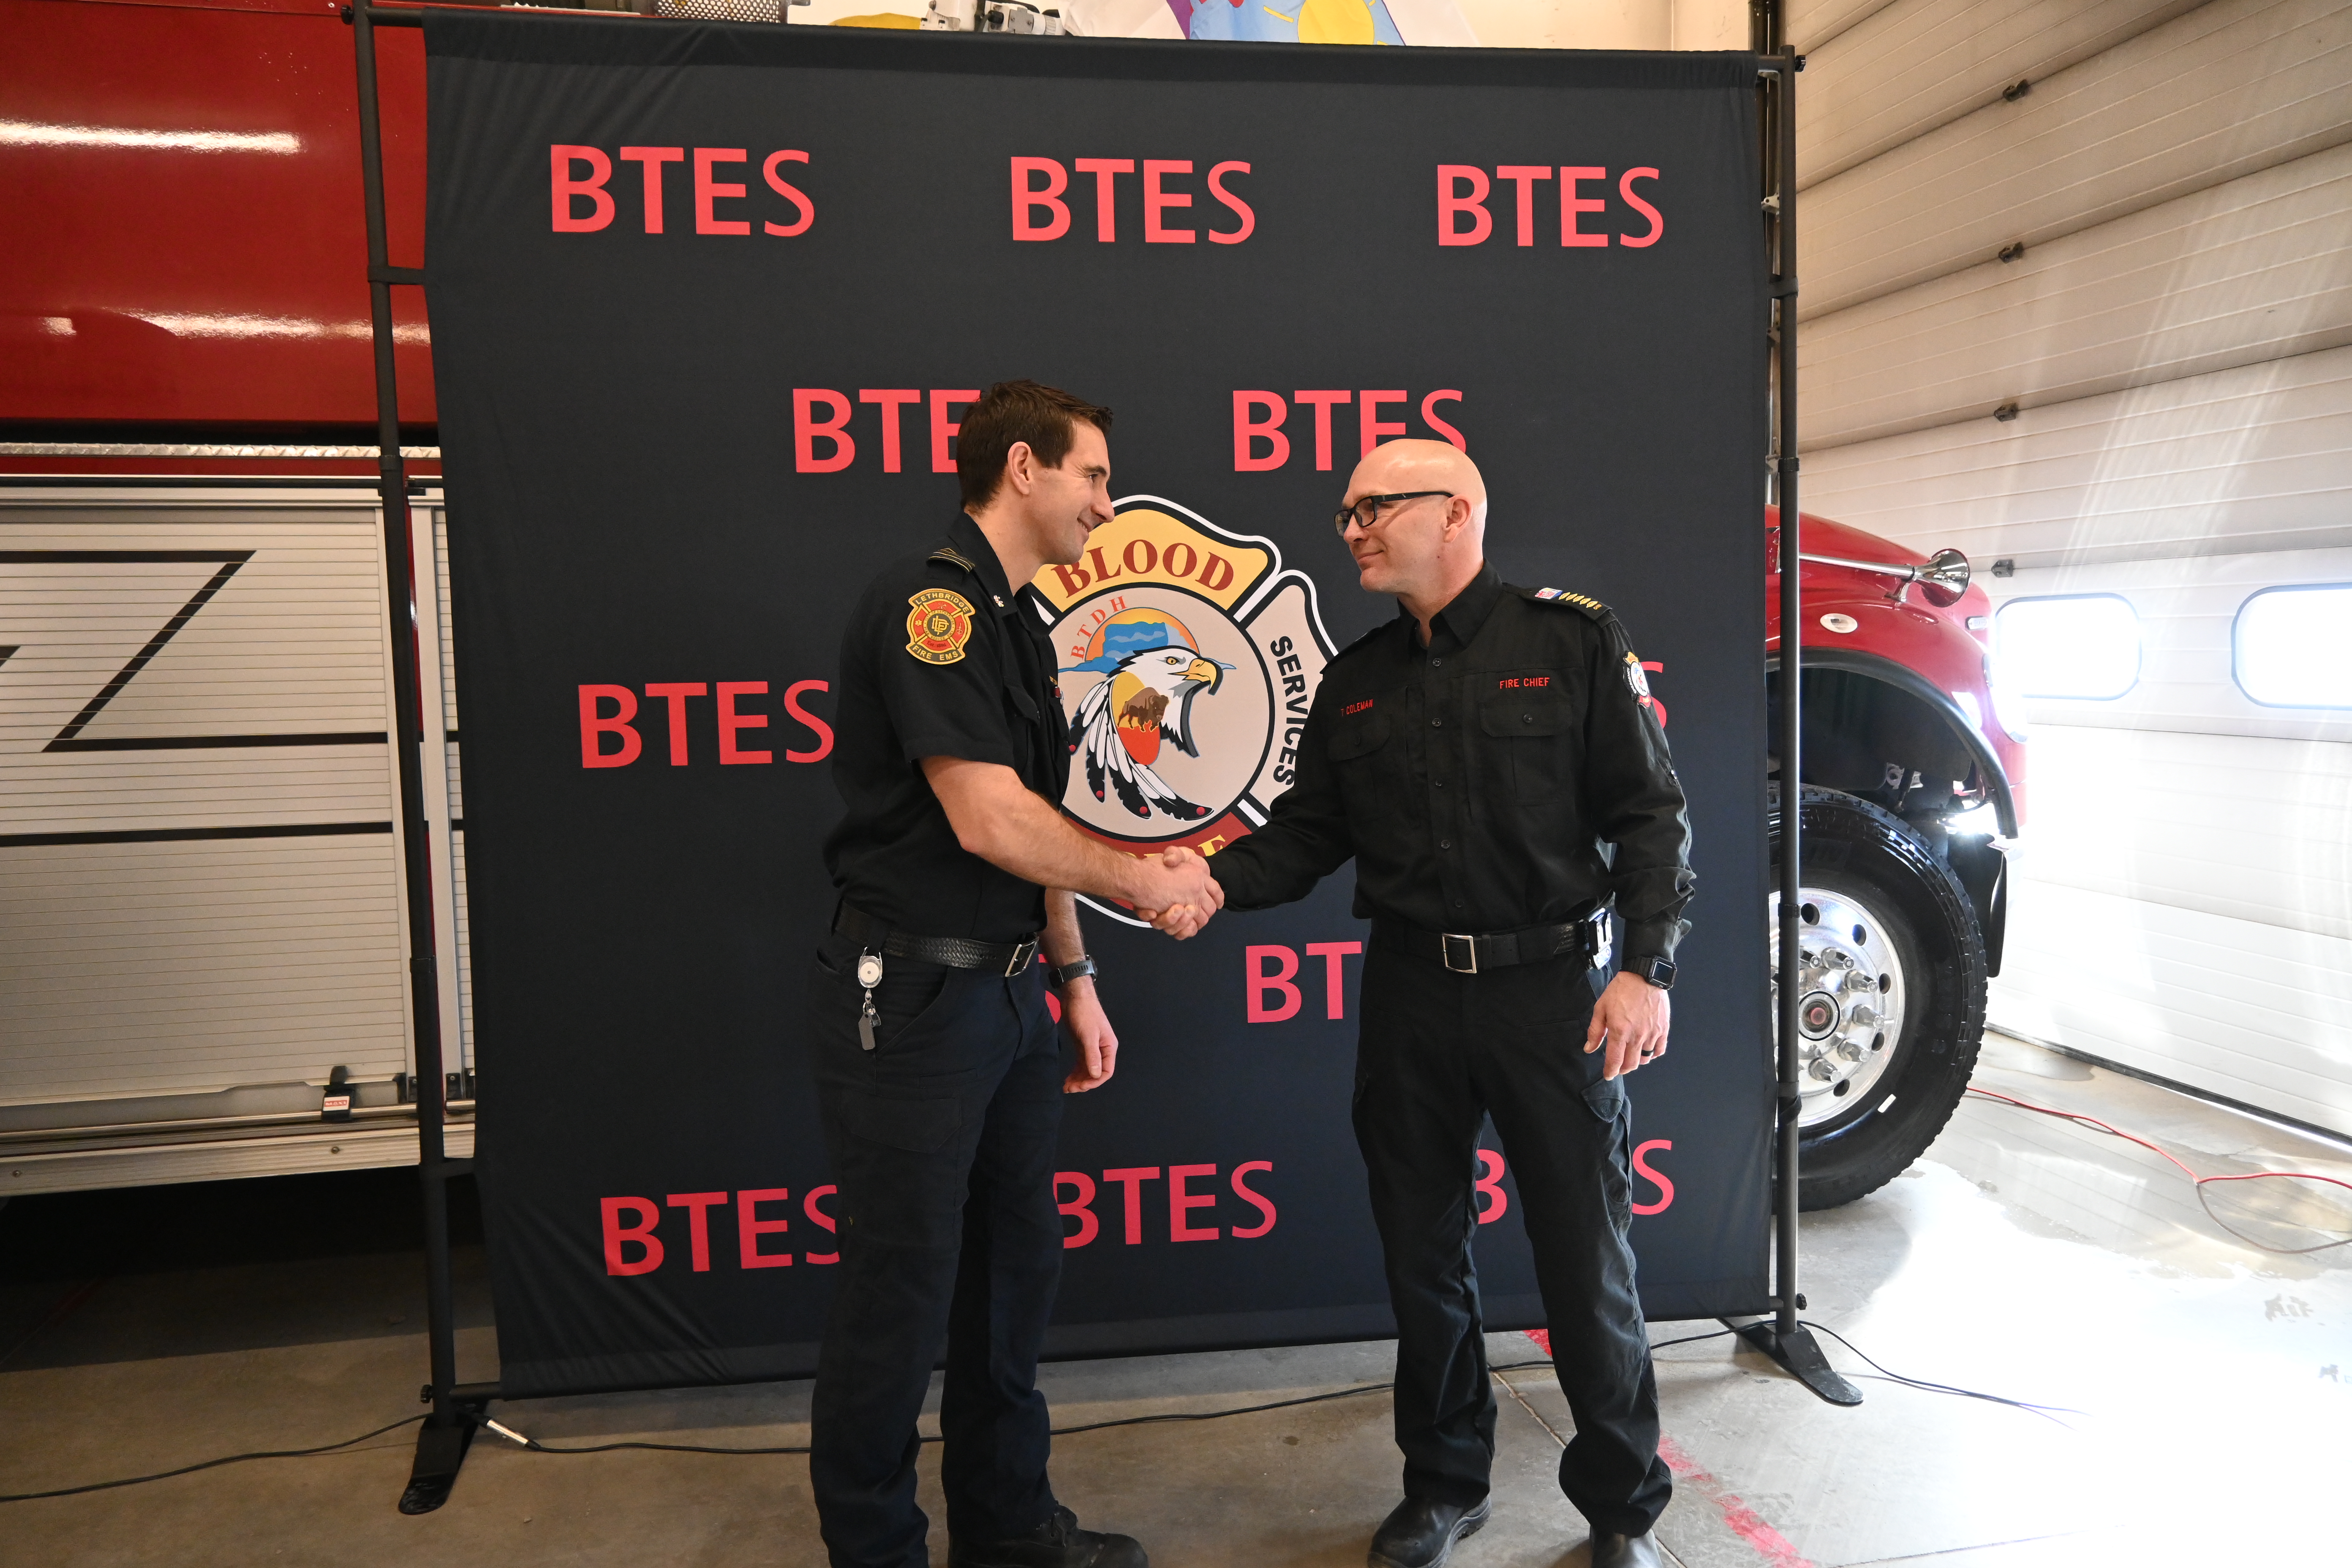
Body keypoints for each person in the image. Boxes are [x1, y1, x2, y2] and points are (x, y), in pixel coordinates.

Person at [1201, 439, 1693, 1568]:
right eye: (1347, 513)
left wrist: (1646, 969)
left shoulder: (1570, 641)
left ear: (1458, 511)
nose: (1355, 530)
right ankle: (1443, 1483)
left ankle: (1620, 1507)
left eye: (1374, 508)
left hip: (1552, 994)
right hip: (1412, 994)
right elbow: (1306, 838)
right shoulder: (1357, 677)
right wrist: (1202, 883)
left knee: (1584, 1259)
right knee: (1421, 1257)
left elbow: (1651, 816)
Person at [810, 379, 1217, 1568]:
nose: (1106, 502)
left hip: (1011, 998)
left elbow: (1036, 827)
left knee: (1010, 1280)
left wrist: (1074, 979)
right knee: (898, 1299)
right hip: (915, 1002)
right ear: (1024, 468)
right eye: (1094, 475)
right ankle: (878, 1551)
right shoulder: (931, 608)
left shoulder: (1020, 626)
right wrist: (1142, 883)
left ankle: (1007, 1531)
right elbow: (986, 817)